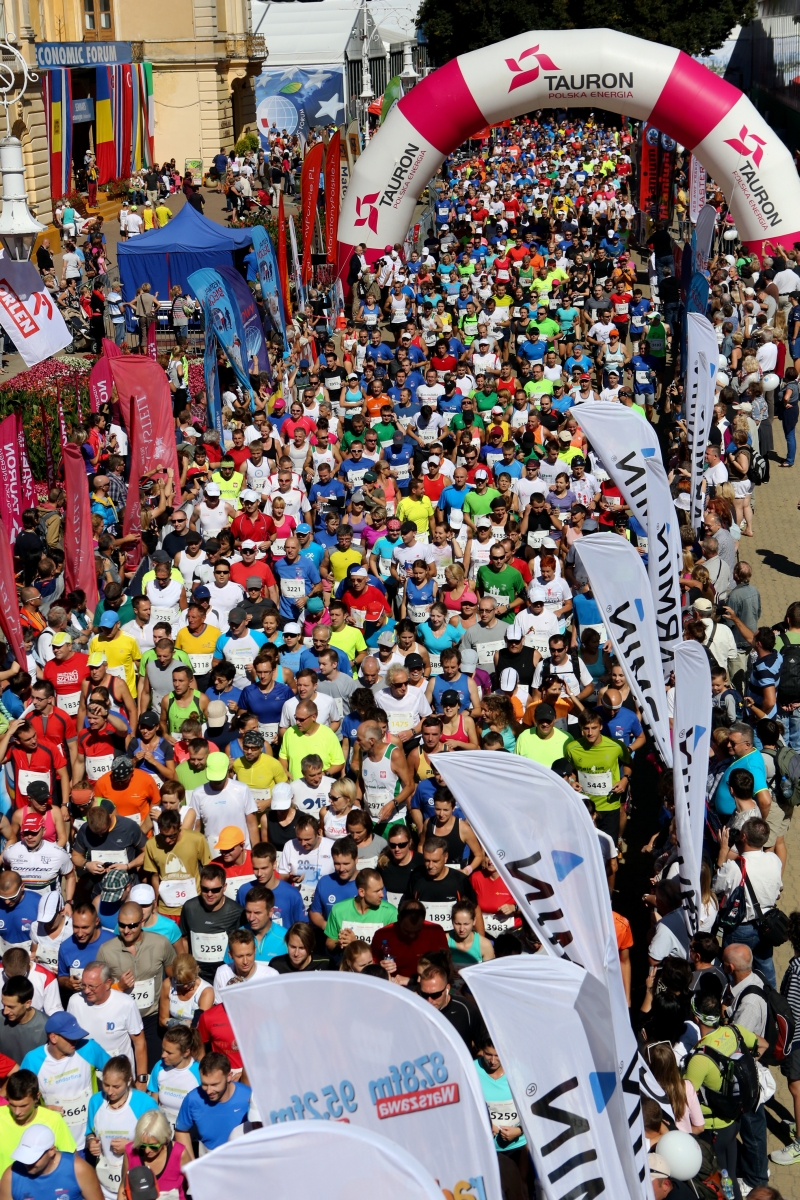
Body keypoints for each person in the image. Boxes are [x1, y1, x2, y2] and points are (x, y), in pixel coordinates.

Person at [86, 1056, 157, 1200]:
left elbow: (161, 1142)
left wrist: (131, 1147)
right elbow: (90, 1132)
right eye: (106, 1085)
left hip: (136, 1186)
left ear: (129, 1080)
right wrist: (91, 1141)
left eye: (116, 1086)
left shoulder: (145, 1103)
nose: (110, 1091)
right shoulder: (95, 1101)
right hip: (104, 1186)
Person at [174, 1053, 251, 1154]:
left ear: (229, 1076)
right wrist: (190, 1161)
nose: (209, 1091)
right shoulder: (192, 1099)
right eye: (204, 1084)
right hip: (208, 1159)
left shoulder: (249, 1096)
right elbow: (181, 1131)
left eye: (215, 1084)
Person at [0, 1123, 103, 1200]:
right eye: (24, 1156)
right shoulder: (11, 1176)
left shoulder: (78, 1169)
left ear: (51, 1151)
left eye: (33, 1158)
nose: (27, 1163)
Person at [120, 1108, 191, 1198]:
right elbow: (123, 1188)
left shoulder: (179, 1153)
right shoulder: (131, 1151)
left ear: (165, 1139)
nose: (147, 1150)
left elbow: (196, 1184)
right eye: (142, 1145)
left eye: (153, 1146)